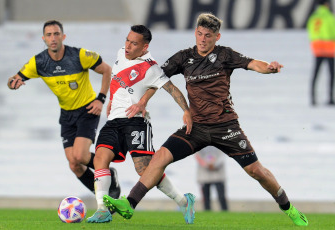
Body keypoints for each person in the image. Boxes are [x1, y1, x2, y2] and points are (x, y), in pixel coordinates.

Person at [103, 13, 309, 227]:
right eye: (199, 34)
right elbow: (158, 80)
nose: (202, 39)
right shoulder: (183, 57)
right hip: (196, 127)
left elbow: (253, 63)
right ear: (195, 33)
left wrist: (269, 67)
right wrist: (143, 100)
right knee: (159, 158)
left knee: (256, 171)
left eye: (208, 35)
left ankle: (288, 207)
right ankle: (130, 204)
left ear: (217, 37)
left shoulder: (225, 55)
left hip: (226, 127)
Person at [86, 25, 194, 224]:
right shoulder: (120, 54)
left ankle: (183, 200)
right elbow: (116, 80)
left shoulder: (150, 67)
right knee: (100, 158)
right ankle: (102, 210)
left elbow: (172, 89)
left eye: (133, 43)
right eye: (127, 40)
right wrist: (111, 101)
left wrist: (186, 111)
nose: (127, 46)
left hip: (135, 121)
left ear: (145, 47)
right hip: (113, 121)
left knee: (145, 170)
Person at [6, 20, 120, 199]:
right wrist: (13, 83)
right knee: (74, 164)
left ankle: (107, 172)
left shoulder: (79, 55)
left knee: (81, 156)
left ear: (63, 36)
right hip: (66, 114)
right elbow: (14, 79)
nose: (53, 38)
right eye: (49, 35)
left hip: (87, 110)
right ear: (43, 39)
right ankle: (104, 195)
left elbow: (107, 70)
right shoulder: (39, 62)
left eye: (56, 34)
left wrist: (101, 99)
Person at [307, 0, 335, 106]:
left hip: (317, 49)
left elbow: (310, 31)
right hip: (329, 49)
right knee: (331, 74)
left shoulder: (313, 17)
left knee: (316, 74)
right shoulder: (329, 17)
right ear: (326, 4)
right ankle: (330, 98)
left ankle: (313, 98)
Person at [195, 146, 228, 211]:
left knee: (221, 197)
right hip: (204, 175)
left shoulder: (220, 141)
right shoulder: (199, 143)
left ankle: (225, 212)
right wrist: (207, 165)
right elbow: (197, 155)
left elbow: (222, 155)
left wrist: (214, 164)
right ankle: (207, 212)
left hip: (218, 174)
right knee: (206, 198)